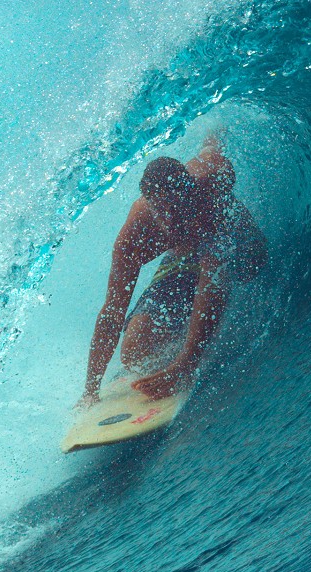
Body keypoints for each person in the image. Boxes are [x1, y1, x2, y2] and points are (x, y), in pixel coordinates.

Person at [83, 133, 267, 402]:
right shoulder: (134, 237)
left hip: (229, 237)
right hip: (182, 259)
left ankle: (191, 345)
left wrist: (185, 365)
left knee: (253, 268)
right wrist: (90, 390)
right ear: (149, 203)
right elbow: (112, 312)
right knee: (134, 353)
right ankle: (182, 335)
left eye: (176, 206)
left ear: (190, 193)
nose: (169, 219)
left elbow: (213, 284)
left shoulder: (212, 181)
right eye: (160, 209)